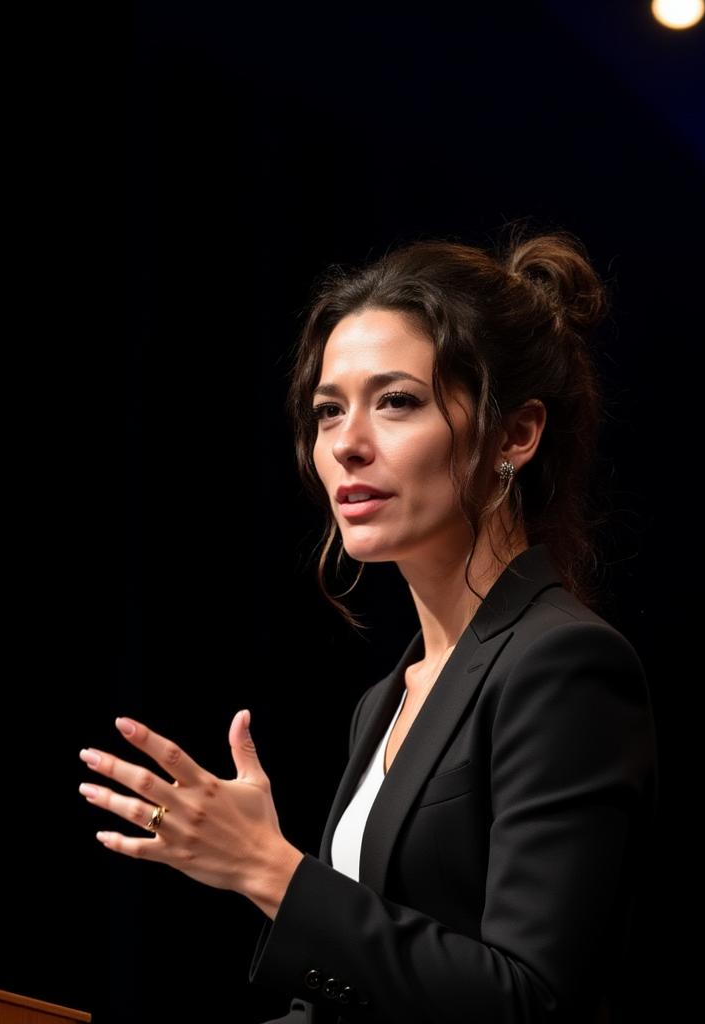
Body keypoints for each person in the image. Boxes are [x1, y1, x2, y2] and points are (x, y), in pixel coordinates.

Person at [78, 229, 658, 1023]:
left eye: (397, 402)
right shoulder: (386, 700)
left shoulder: (564, 664)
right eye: (328, 411)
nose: (347, 445)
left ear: (516, 434)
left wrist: (268, 870)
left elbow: (530, 1002)